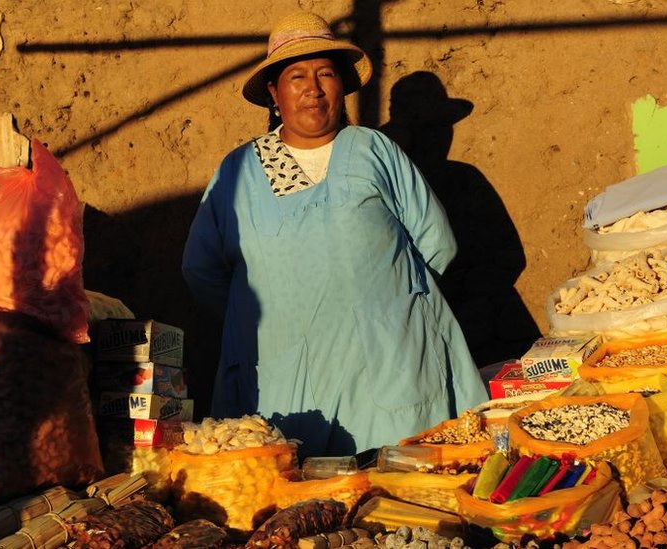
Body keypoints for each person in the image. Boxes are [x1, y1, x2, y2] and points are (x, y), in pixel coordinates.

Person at [182, 11, 487, 458]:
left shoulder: (372, 150)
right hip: (286, 377)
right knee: (294, 501)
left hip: (387, 367)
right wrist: (260, 318)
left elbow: (436, 242)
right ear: (274, 92)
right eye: (296, 76)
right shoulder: (240, 171)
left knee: (405, 491)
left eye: (325, 73)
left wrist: (388, 307)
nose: (313, 87)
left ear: (341, 84)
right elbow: (200, 268)